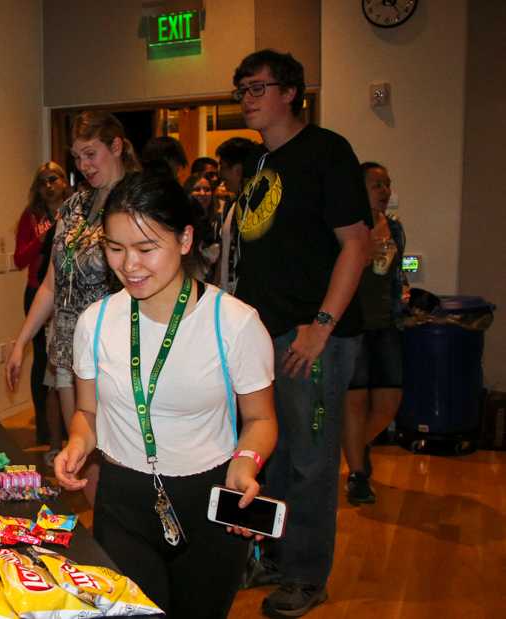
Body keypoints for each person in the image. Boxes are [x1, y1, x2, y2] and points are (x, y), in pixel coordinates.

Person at [55, 171, 277, 618]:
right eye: (115, 249)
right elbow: (86, 411)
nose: (129, 265)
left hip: (211, 498)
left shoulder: (234, 322)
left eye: (145, 248)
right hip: (123, 500)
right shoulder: (94, 323)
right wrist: (78, 442)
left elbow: (260, 420)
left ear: (184, 239)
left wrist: (246, 463)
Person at [230, 50, 371, 617]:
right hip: (266, 337)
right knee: (275, 454)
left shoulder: (327, 152)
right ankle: (275, 556)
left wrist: (320, 326)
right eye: (241, 88)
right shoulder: (264, 164)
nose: (246, 97)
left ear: (291, 92)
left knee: (311, 461)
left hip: (313, 337)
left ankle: (308, 576)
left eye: (258, 87)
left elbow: (356, 244)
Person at [4, 111, 139, 501]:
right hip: (68, 349)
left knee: (118, 461)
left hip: (118, 350)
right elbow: (51, 282)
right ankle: (102, 545)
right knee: (84, 460)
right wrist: (21, 341)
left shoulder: (137, 199)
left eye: (91, 154)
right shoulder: (74, 206)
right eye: (77, 157)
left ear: (116, 146)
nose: (83, 166)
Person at [342, 162, 407, 505]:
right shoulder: (348, 229)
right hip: (353, 324)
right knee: (354, 402)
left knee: (388, 402)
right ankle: (357, 474)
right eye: (377, 185)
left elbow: (397, 274)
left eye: (387, 184)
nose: (384, 191)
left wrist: (404, 292)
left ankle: (355, 446)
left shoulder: (394, 229)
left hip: (386, 323)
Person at [13, 162, 70, 449]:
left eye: (54, 179)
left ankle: (70, 428)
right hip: (36, 292)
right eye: (43, 181)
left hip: (68, 295)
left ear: (64, 182)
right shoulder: (31, 216)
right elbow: (19, 259)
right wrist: (43, 236)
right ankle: (45, 431)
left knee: (66, 362)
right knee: (40, 360)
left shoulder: (75, 212)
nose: (49, 185)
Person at [212, 137, 264, 292]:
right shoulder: (233, 205)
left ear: (237, 169)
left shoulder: (257, 207)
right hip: (227, 295)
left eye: (222, 167)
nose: (220, 174)